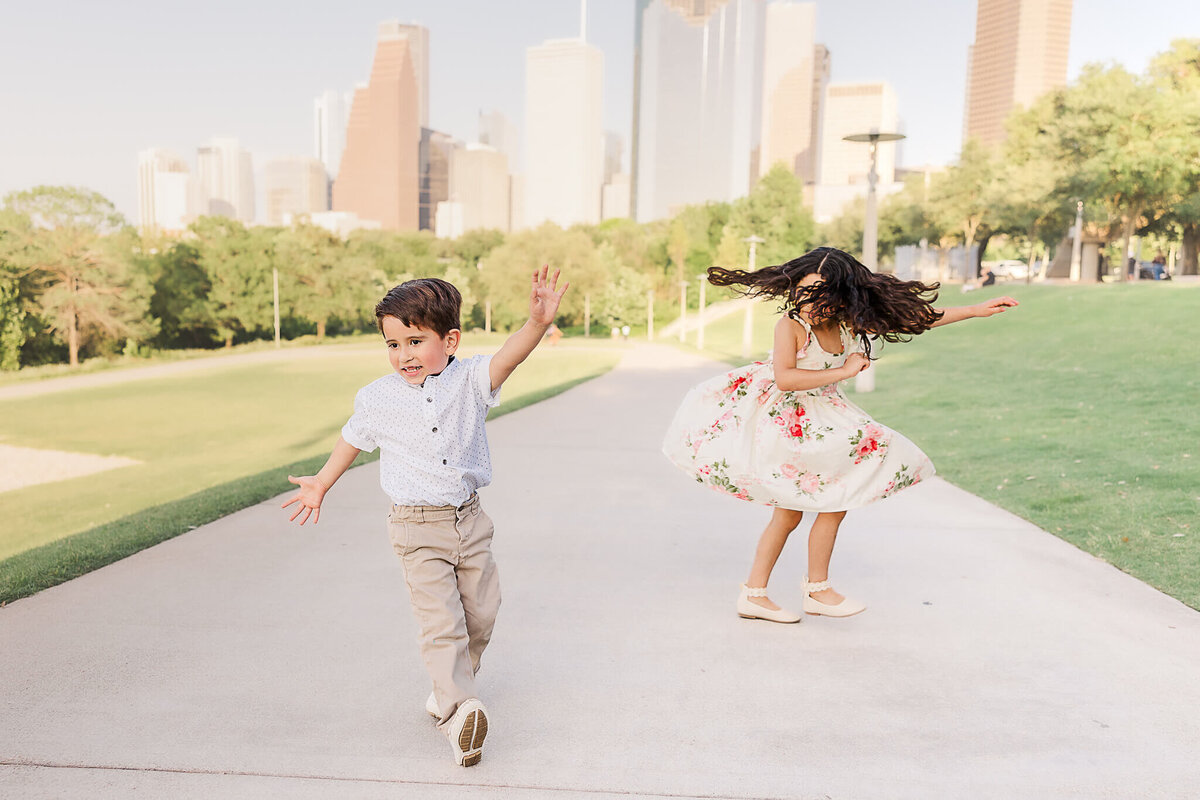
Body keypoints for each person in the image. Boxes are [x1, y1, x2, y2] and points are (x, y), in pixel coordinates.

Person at [282, 268, 569, 766]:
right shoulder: (378, 396)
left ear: (450, 339)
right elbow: (353, 437)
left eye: (415, 341)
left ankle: (446, 688)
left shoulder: (471, 381)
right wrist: (322, 482)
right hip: (415, 529)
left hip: (469, 522)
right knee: (442, 624)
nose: (403, 355)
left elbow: (509, 356)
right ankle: (459, 713)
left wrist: (536, 324)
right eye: (392, 344)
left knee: (481, 616)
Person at [662, 247, 1016, 623]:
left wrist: (975, 310)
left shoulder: (848, 322)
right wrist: (845, 372)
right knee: (790, 514)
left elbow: (916, 318)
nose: (809, 304)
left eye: (819, 296)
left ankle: (812, 590)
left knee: (834, 500)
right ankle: (762, 594)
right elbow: (786, 379)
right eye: (802, 293)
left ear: (841, 297)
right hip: (786, 421)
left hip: (823, 420)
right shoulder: (792, 326)